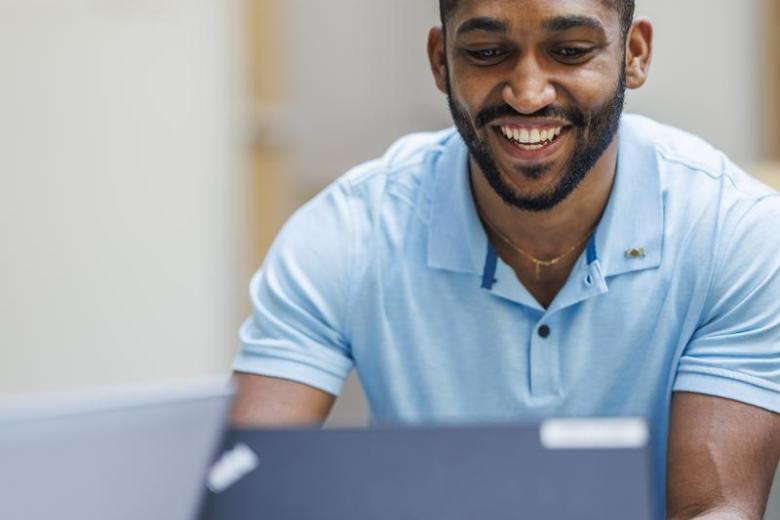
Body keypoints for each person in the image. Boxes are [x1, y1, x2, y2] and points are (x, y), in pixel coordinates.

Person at [231, 0, 780, 518]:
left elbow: (714, 508)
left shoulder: (731, 231)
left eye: (570, 51)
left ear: (634, 54)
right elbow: (243, 490)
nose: (527, 93)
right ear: (440, 61)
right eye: (486, 53)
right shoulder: (349, 229)